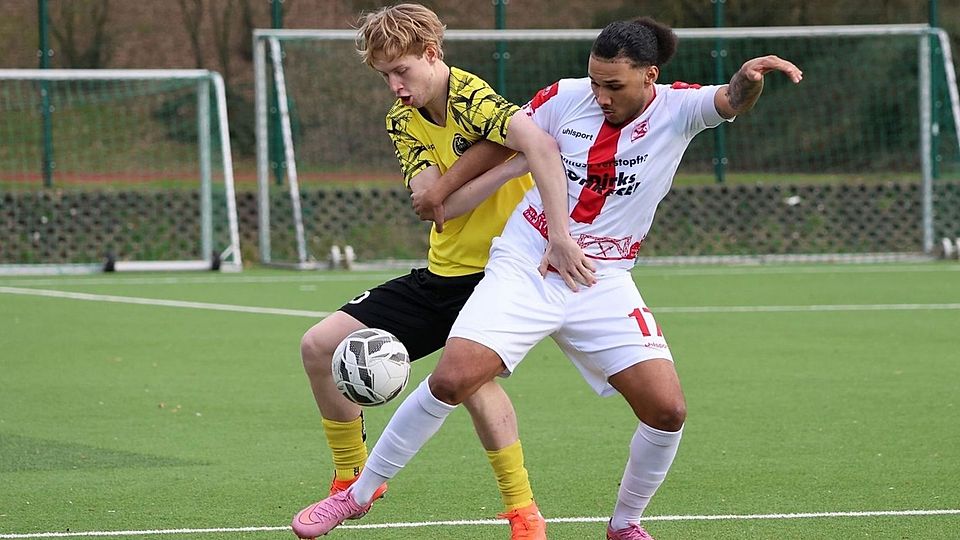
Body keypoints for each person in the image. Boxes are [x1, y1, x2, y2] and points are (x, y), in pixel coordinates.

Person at [292, 15, 802, 540]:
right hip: (526, 260)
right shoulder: (565, 95)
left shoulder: (679, 108)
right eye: (595, 80)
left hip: (601, 276)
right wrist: (449, 193)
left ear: (651, 76)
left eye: (614, 85)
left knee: (667, 409)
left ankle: (625, 524)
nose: (600, 95)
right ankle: (354, 497)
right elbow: (511, 138)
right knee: (451, 379)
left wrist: (749, 77)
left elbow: (730, 101)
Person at [291, 4, 594, 540]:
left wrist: (559, 234)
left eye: (401, 71)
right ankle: (352, 481)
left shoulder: (473, 97)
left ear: (432, 54)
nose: (394, 86)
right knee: (319, 345)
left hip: (502, 274)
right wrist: (497, 163)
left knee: (471, 384)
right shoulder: (400, 119)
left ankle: (523, 513)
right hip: (443, 273)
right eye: (384, 75)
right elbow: (435, 205)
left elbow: (541, 148)